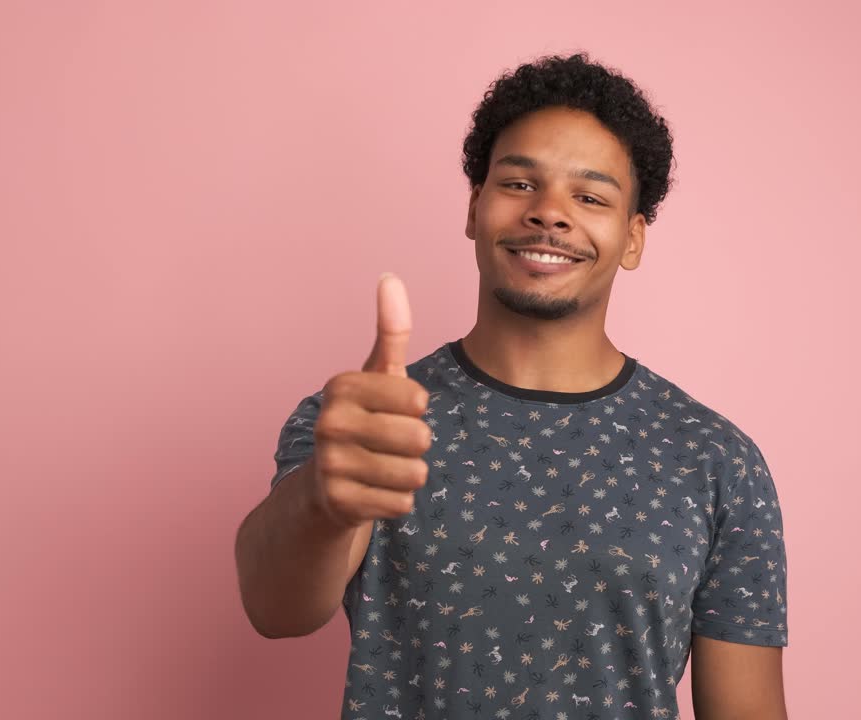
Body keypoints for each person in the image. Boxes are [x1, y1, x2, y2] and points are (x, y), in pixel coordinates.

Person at [235, 52, 789, 720]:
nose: (549, 214)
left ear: (633, 238)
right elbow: (274, 610)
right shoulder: (363, 424)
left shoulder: (717, 461)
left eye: (589, 197)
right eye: (520, 184)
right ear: (475, 207)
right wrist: (324, 498)